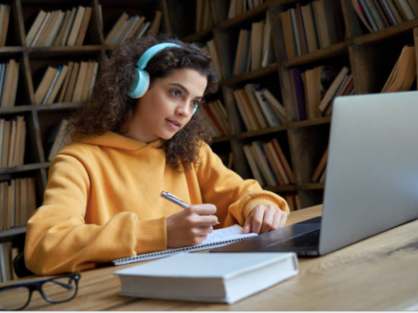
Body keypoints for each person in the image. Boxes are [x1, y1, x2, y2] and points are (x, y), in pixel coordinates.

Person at [25, 35, 289, 275]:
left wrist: (259, 207)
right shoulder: (78, 161)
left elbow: (241, 192)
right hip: (120, 296)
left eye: (194, 102)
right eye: (176, 93)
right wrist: (160, 233)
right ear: (135, 86)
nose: (185, 111)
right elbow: (45, 246)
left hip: (195, 281)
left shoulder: (193, 152)